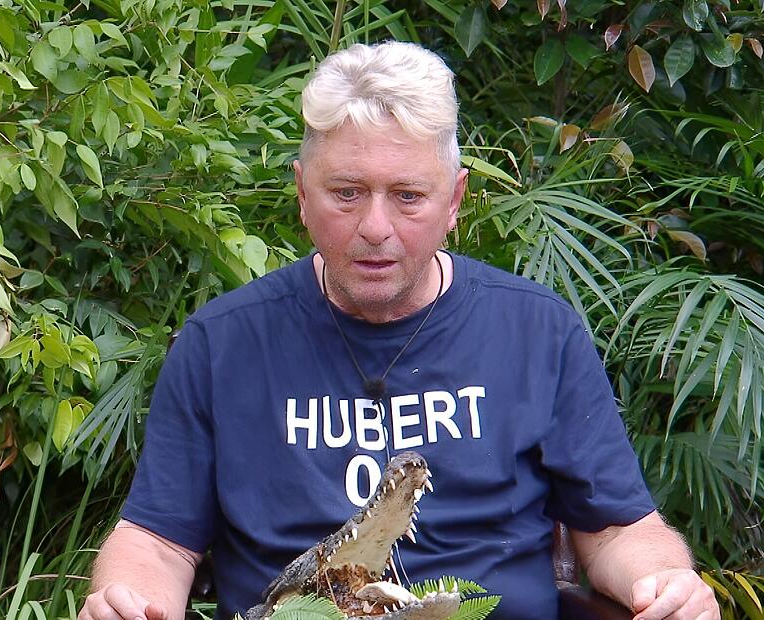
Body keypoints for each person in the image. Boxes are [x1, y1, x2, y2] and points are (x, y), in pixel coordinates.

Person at [78, 42, 719, 620]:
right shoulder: (222, 344)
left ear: (455, 200)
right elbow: (157, 542)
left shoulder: (536, 331)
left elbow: (616, 531)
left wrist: (666, 582)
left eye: (408, 196)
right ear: (302, 193)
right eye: (346, 193)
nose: (376, 228)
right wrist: (128, 599)